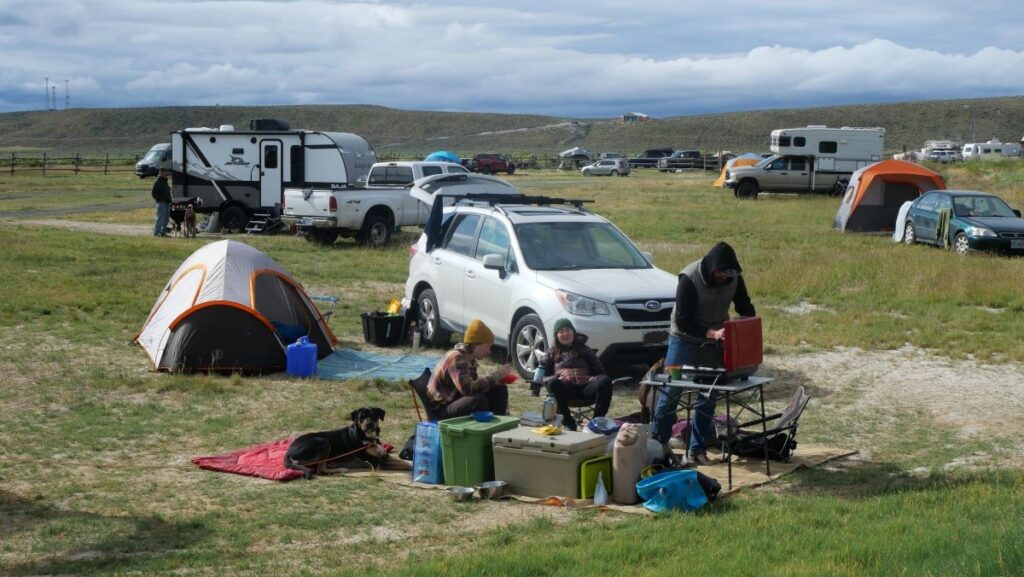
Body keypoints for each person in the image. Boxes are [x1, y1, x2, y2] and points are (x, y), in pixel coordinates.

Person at [651, 241, 756, 466]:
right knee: (671, 393)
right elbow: (683, 320)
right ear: (712, 268)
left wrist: (746, 330)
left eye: (728, 275)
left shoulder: (734, 277)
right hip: (684, 339)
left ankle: (696, 450)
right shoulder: (689, 278)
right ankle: (658, 445)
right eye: (721, 274)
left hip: (715, 340)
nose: (724, 279)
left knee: (708, 395)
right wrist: (712, 333)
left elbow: (745, 306)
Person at [426, 319, 512, 419]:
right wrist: (496, 376)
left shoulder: (470, 360)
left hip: (455, 399)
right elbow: (469, 389)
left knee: (499, 389)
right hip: (441, 409)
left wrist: (495, 382)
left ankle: (498, 423)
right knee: (478, 400)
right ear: (475, 345)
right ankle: (485, 425)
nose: (489, 352)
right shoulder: (456, 358)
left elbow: (475, 387)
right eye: (487, 347)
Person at [539, 318, 613, 431]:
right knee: (553, 383)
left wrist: (595, 378)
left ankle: (596, 422)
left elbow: (602, 373)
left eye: (568, 330)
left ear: (573, 332)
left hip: (587, 388)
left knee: (605, 381)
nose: (565, 334)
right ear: (556, 336)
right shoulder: (551, 353)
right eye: (561, 331)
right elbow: (542, 378)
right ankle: (568, 423)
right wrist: (557, 377)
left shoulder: (586, 350)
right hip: (566, 390)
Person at [151, 168, 172, 237]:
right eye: (165, 172)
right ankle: (156, 233)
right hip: (161, 203)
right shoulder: (158, 182)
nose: (167, 174)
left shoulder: (165, 181)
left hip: (167, 202)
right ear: (161, 173)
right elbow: (153, 193)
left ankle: (163, 232)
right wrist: (160, 199)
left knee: (166, 218)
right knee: (160, 218)